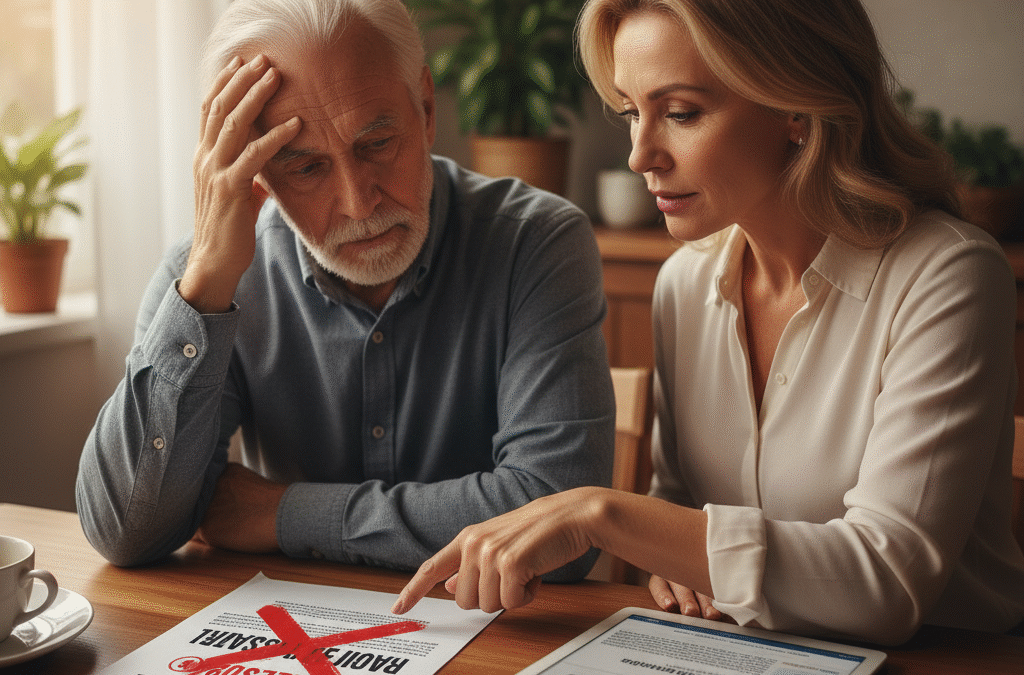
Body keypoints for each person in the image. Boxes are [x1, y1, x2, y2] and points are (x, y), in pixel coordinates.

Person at [394, 0, 1024, 645]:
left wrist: (601, 513)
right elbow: (684, 512)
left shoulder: (949, 275)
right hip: (739, 651)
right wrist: (673, 563)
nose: (641, 155)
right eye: (632, 113)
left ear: (798, 110)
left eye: (681, 113)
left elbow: (885, 583)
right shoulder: (685, 283)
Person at [75, 0, 615, 580]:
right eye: (307, 169)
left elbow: (562, 528)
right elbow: (123, 531)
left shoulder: (536, 242)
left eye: (377, 144)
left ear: (426, 108)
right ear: (255, 173)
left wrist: (282, 513)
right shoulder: (210, 274)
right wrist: (206, 283)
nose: (360, 203)